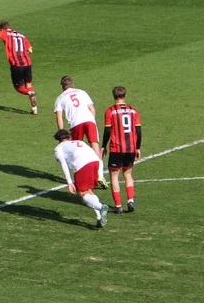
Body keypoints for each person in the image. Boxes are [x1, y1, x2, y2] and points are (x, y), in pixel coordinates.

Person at [54, 129, 110, 229]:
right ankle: (99, 218)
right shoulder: (80, 142)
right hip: (96, 162)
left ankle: (101, 207)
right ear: (69, 138)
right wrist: (100, 174)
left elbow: (63, 164)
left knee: (82, 193)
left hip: (82, 165)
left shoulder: (58, 148)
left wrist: (69, 182)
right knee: (89, 191)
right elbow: (96, 157)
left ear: (58, 141)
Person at [54, 76, 104, 185]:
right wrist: (91, 120)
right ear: (72, 84)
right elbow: (92, 109)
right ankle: (100, 174)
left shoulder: (60, 98)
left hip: (75, 123)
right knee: (95, 146)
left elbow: (59, 117)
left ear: (62, 86)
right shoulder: (82, 92)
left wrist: (61, 134)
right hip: (89, 120)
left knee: (76, 150)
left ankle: (81, 176)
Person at [103, 86, 142, 214]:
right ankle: (130, 200)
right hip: (131, 147)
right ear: (125, 95)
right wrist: (138, 147)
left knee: (114, 176)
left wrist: (103, 146)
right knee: (128, 174)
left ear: (113, 96)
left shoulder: (110, 111)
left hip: (116, 148)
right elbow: (138, 131)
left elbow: (108, 131)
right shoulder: (133, 111)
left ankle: (118, 205)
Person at [0, 19, 38, 114]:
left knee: (18, 87)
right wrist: (23, 55)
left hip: (16, 65)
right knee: (29, 84)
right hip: (27, 63)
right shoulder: (21, 35)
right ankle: (34, 109)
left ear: (2, 29)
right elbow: (30, 50)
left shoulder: (5, 33)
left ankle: (29, 92)